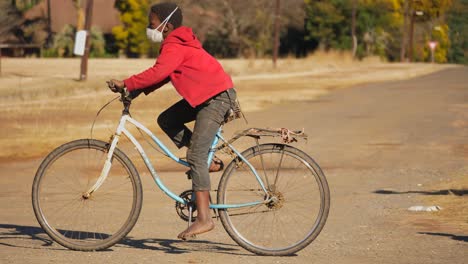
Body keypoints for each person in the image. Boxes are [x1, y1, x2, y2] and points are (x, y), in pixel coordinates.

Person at [108, 2, 237, 240]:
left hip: (215, 99)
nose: (149, 26)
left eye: (152, 22)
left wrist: (127, 82)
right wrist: (133, 92)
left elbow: (158, 72)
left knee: (195, 156)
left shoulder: (175, 43)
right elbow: (164, 75)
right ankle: (207, 163)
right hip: (205, 97)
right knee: (167, 119)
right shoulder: (176, 42)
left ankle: (204, 218)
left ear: (166, 25)